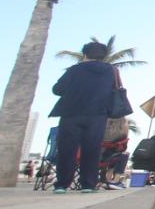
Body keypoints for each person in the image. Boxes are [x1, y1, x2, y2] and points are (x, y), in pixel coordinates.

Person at [48, 40, 118, 193]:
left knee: (67, 149)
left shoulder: (75, 70)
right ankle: (88, 184)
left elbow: (57, 89)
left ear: (85, 54)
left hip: (71, 113)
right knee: (92, 150)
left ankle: (62, 185)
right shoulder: (111, 71)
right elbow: (115, 91)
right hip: (98, 115)